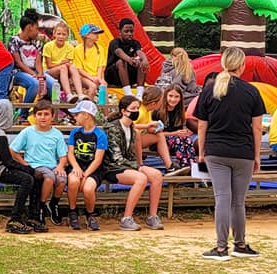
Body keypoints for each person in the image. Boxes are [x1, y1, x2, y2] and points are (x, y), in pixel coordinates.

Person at [195, 47, 265, 261]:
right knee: (238, 201)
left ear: (223, 64)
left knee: (222, 199)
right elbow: (257, 128)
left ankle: (220, 247)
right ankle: (240, 244)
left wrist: (201, 152)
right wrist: (256, 155)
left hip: (216, 151)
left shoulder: (210, 89)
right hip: (243, 151)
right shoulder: (251, 91)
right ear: (242, 66)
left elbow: (202, 125)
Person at [0, 99, 47, 234]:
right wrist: (29, 170)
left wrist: (29, 170)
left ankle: (33, 216)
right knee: (27, 179)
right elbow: (8, 162)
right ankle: (15, 219)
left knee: (34, 177)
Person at [101, 95, 166, 230]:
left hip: (127, 165)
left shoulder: (132, 128)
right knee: (141, 178)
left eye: (137, 108)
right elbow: (116, 158)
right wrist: (137, 167)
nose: (136, 111)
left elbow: (132, 153)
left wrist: (139, 165)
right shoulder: (112, 128)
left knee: (157, 175)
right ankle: (127, 218)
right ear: (123, 111)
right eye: (133, 108)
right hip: (112, 168)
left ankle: (152, 216)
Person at [10, 100, 70, 226]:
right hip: (35, 165)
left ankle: (53, 204)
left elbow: (63, 155)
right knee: (49, 178)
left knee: (62, 179)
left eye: (46, 114)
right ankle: (40, 206)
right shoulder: (28, 132)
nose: (43, 117)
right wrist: (24, 163)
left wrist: (60, 166)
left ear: (52, 116)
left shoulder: (56, 134)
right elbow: (13, 150)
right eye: (40, 114)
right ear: (35, 116)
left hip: (52, 165)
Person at [65, 99, 107, 231]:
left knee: (88, 188)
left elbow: (98, 160)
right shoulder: (75, 132)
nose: (75, 117)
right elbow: (70, 154)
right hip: (77, 165)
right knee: (73, 181)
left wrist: (86, 174)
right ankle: (72, 212)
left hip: (93, 169)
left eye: (77, 114)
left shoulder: (100, 135)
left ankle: (90, 214)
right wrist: (76, 167)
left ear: (86, 115)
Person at [6, 9, 54, 116]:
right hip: (18, 71)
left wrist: (40, 75)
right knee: (34, 83)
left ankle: (50, 112)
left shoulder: (37, 42)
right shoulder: (14, 41)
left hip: (35, 71)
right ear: (29, 27)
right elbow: (18, 62)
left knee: (53, 84)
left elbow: (38, 62)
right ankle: (23, 114)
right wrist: (34, 75)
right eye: (37, 29)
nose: (38, 32)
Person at [132, 86, 174, 170]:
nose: (162, 103)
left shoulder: (148, 111)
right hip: (132, 141)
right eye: (161, 101)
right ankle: (140, 164)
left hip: (139, 139)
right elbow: (131, 125)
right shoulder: (140, 112)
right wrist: (147, 126)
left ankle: (169, 165)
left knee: (159, 135)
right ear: (153, 103)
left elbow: (147, 127)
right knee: (137, 133)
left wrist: (155, 129)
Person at [156, 85, 197, 168]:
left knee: (187, 139)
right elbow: (156, 134)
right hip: (160, 141)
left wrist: (183, 133)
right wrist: (175, 133)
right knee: (178, 139)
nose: (173, 99)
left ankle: (192, 164)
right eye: (170, 96)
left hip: (175, 140)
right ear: (165, 96)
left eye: (176, 97)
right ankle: (183, 165)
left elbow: (179, 131)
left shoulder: (179, 112)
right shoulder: (158, 112)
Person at [105, 18, 148, 97]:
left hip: (128, 75)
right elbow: (119, 52)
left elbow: (139, 52)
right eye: (126, 31)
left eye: (131, 31)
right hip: (113, 76)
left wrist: (145, 60)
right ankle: (128, 93)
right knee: (121, 61)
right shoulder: (115, 42)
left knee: (141, 62)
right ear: (120, 32)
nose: (129, 34)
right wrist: (129, 60)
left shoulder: (135, 43)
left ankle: (139, 93)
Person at [43, 22, 83, 102]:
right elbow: (49, 65)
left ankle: (80, 94)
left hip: (64, 71)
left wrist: (66, 64)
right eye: (59, 34)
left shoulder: (70, 47)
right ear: (54, 34)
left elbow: (68, 63)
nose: (61, 36)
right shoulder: (48, 46)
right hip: (49, 71)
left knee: (72, 66)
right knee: (63, 67)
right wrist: (61, 63)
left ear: (67, 36)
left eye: (64, 34)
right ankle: (69, 95)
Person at [71, 23, 106, 99]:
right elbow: (79, 69)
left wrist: (99, 78)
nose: (97, 35)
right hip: (83, 77)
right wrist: (92, 78)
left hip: (97, 76)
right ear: (87, 35)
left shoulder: (100, 48)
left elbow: (101, 66)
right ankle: (88, 106)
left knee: (103, 86)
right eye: (95, 33)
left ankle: (104, 107)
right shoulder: (77, 49)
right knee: (93, 86)